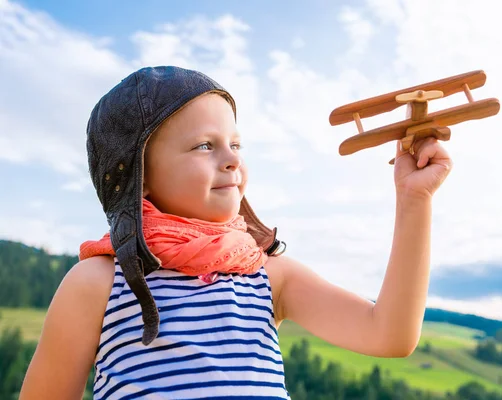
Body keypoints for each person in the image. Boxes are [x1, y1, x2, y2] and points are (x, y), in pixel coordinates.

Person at [19, 66, 452, 399]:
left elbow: (390, 335)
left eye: (236, 144)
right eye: (204, 145)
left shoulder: (269, 274)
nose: (231, 159)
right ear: (139, 176)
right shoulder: (98, 283)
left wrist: (415, 201)